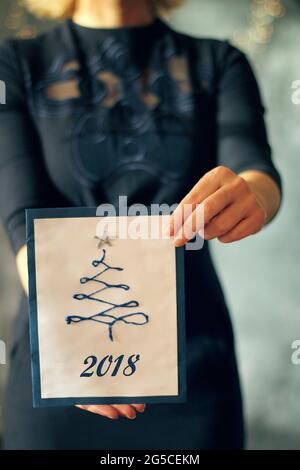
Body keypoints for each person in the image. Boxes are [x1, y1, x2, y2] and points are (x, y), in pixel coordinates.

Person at [0, 0, 281, 450]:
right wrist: (79, 341)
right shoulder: (13, 64)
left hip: (193, 364)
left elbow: (254, 168)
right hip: (62, 356)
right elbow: (22, 219)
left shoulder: (219, 61)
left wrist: (255, 195)